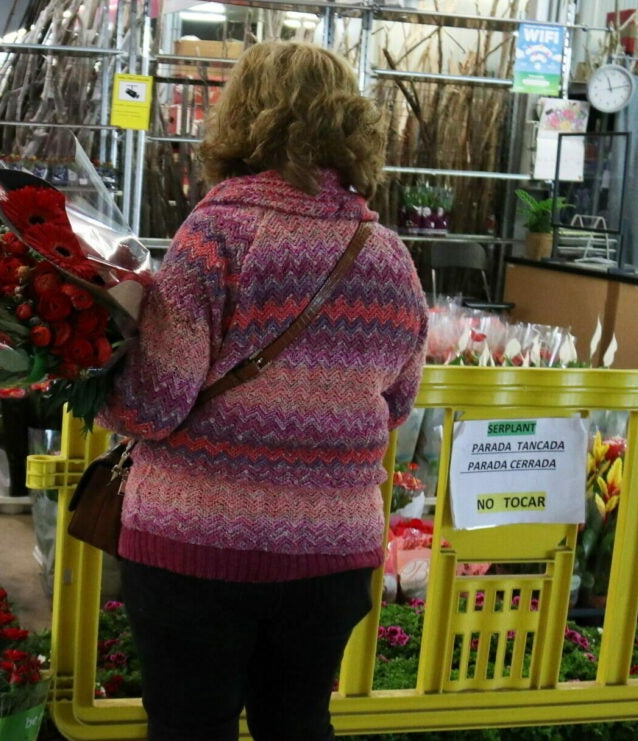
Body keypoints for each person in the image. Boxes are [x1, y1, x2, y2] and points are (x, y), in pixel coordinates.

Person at [97, 42, 428, 741]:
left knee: (190, 726)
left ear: (245, 117)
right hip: (329, 552)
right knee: (299, 721)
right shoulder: (390, 256)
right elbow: (398, 401)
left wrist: (98, 368)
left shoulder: (216, 233)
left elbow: (155, 405)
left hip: (195, 542)